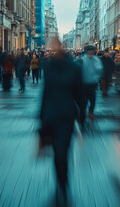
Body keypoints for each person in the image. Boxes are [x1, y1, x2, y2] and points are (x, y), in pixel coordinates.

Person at [39, 37, 82, 206]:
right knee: (57, 153)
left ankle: (63, 184)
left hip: (65, 116)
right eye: (52, 45)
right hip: (50, 115)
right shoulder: (48, 66)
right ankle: (60, 182)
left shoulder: (73, 67)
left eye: (55, 45)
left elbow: (79, 93)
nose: (53, 48)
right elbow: (45, 92)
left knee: (62, 152)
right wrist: (40, 117)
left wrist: (80, 114)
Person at [79, 45, 103, 129]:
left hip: (92, 84)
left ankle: (91, 111)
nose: (90, 52)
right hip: (84, 84)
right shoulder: (82, 59)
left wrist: (96, 79)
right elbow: (78, 69)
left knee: (92, 100)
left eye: (92, 50)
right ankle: (82, 116)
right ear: (87, 51)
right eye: (89, 50)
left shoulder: (96, 60)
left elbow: (99, 70)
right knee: (83, 101)